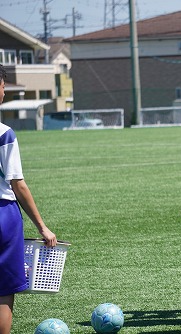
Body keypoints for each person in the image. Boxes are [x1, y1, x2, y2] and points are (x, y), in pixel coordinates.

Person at [0, 64, 58, 334]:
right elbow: (17, 184)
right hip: (3, 214)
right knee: (3, 290)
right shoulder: (4, 133)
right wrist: (41, 226)